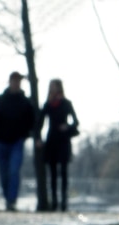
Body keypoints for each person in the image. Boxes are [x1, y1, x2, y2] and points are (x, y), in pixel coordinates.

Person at [0, 72, 35, 211]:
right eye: (14, 81)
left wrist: (26, 134)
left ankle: (12, 200)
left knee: (14, 170)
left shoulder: (26, 102)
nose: (16, 83)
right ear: (9, 82)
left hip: (17, 142)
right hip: (1, 142)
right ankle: (7, 197)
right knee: (4, 172)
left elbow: (32, 120)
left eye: (18, 81)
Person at [38, 79, 79, 211]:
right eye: (50, 87)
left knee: (64, 171)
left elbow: (76, 121)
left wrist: (67, 126)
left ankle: (64, 201)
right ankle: (54, 201)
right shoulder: (48, 104)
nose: (52, 89)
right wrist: (38, 138)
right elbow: (40, 122)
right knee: (53, 172)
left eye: (54, 86)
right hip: (51, 140)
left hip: (63, 140)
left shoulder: (66, 104)